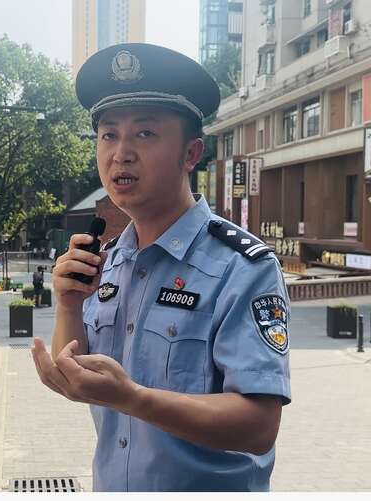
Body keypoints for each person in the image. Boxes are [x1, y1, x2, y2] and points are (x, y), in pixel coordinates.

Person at [30, 43, 290, 492]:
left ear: (191, 154)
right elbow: (78, 363)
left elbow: (259, 425)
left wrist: (135, 399)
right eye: (109, 135)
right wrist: (69, 306)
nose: (121, 153)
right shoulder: (111, 260)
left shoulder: (242, 267)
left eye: (145, 133)